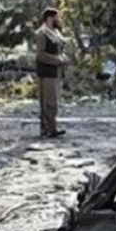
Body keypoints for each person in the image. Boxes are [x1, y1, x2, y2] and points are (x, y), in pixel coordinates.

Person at [34, 7, 69, 137]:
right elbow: (41, 55)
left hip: (57, 70)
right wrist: (57, 59)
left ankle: (49, 126)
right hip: (48, 71)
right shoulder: (42, 33)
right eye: (57, 17)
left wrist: (63, 57)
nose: (59, 20)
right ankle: (49, 128)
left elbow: (59, 48)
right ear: (50, 18)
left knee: (54, 100)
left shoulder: (55, 32)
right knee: (49, 101)